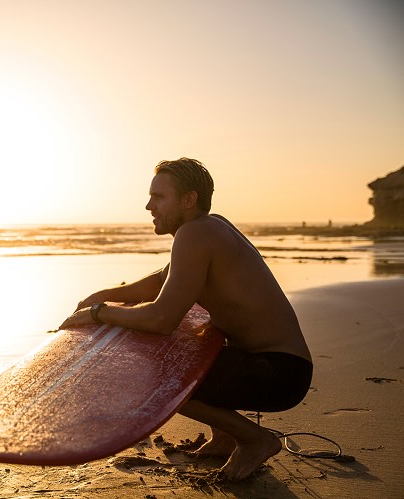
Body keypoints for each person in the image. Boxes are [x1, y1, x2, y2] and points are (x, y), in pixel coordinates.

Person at [60, 157, 312, 481]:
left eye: (159, 197)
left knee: (165, 378)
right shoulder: (207, 228)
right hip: (279, 366)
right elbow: (162, 280)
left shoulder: (194, 234)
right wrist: (103, 295)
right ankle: (223, 437)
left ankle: (255, 439)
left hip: (278, 373)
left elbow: (162, 318)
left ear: (188, 199)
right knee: (183, 350)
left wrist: (98, 314)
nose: (149, 205)